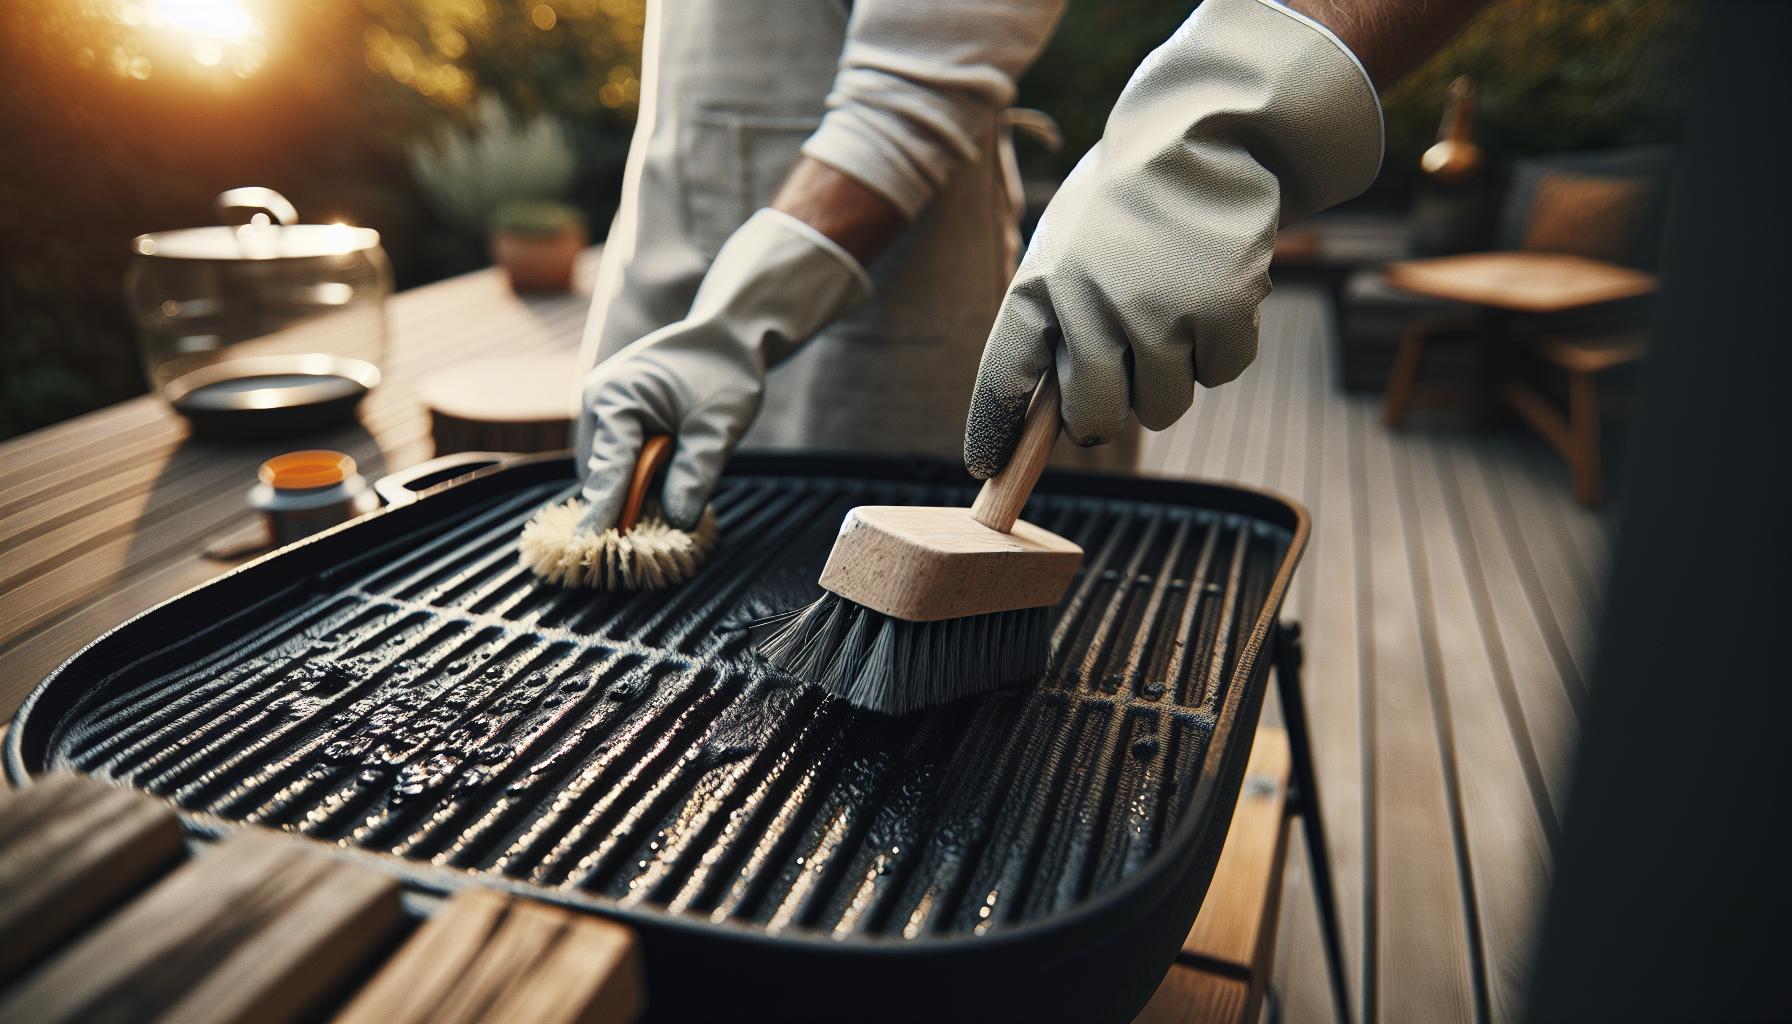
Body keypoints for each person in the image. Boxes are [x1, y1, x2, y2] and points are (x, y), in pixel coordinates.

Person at [575, 0, 1484, 533]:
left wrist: (1233, 118)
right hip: (666, 285)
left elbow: (906, 91)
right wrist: (694, 323)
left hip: (872, 378)